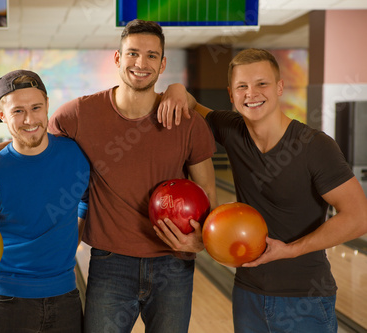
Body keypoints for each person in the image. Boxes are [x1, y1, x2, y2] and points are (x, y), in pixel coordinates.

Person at [0, 20, 218, 333]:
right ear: (117, 58)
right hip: (111, 263)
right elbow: (32, 135)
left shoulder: (185, 119)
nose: (141, 62)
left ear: (163, 63)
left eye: (152, 56)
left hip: (173, 262)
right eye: (133, 53)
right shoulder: (80, 114)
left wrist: (202, 239)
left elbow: (207, 189)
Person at [155, 48, 367, 332]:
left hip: (304, 299)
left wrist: (289, 250)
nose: (251, 93)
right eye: (242, 86)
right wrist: (176, 87)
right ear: (231, 94)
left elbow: (358, 217)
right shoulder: (232, 130)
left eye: (261, 84)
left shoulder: (315, 146)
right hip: (247, 293)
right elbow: (191, 104)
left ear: (280, 87)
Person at [0, 69, 90, 333]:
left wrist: (73, 241)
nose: (30, 118)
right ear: (1, 115)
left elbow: (86, 199)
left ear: (47, 105)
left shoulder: (74, 155)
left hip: (65, 298)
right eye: (17, 111)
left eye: (36, 107)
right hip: (5, 301)